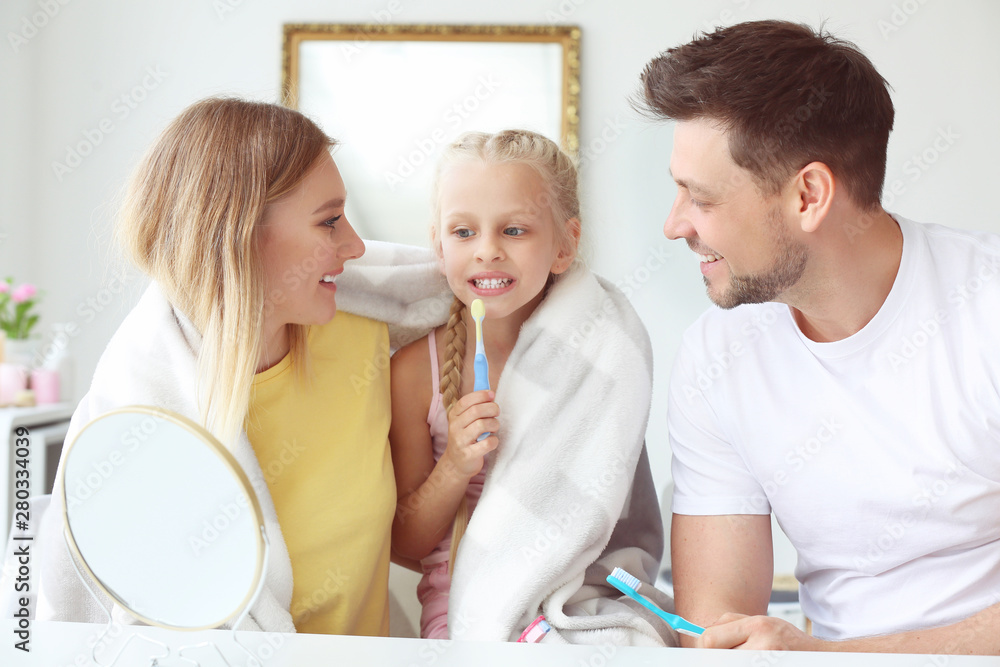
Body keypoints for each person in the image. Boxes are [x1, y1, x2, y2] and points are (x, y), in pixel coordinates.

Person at [636, 19, 1000, 653]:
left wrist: (833, 659)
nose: (674, 226)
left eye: (702, 199)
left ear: (808, 195)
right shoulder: (717, 354)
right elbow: (717, 619)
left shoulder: (985, 308)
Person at [37, 97, 449, 635]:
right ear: (238, 233)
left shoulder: (366, 339)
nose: (353, 245)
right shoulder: (140, 414)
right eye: (329, 221)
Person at [388, 129, 672, 644]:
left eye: (514, 231)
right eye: (463, 232)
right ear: (438, 245)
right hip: (462, 611)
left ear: (565, 246)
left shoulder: (600, 357)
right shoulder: (412, 373)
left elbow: (603, 505)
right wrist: (454, 464)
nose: (487, 251)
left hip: (578, 594)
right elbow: (404, 539)